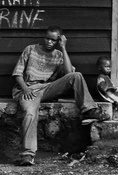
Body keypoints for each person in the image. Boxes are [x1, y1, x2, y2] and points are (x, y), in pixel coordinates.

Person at [12, 26, 108, 166]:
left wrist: (63, 48)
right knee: (30, 114)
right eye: (47, 38)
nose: (49, 42)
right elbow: (17, 74)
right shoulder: (30, 49)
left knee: (76, 75)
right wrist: (25, 89)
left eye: (53, 40)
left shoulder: (58, 54)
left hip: (47, 88)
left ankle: (89, 110)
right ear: (44, 37)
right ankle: (28, 154)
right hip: (29, 89)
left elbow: (69, 74)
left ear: (58, 40)